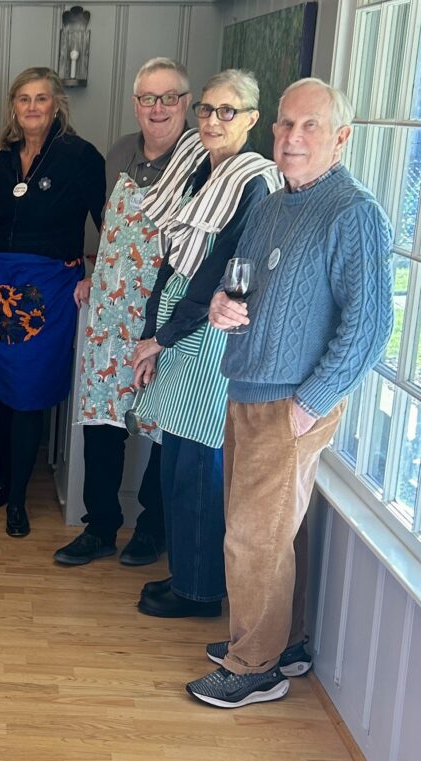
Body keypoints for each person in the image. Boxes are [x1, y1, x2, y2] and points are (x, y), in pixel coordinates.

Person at [187, 78, 393, 708]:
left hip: (294, 400)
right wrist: (222, 304)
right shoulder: (276, 201)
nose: (291, 137)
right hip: (249, 385)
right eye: (283, 125)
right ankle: (286, 643)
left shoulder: (354, 211)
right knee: (274, 529)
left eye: (309, 126)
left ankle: (255, 667)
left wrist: (314, 399)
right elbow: (238, 279)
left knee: (254, 535)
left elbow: (372, 323)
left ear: (341, 138)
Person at [129, 69, 282, 616]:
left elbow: (220, 270)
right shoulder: (198, 170)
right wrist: (153, 331)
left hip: (209, 335)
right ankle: (185, 578)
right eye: (208, 110)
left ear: (251, 120)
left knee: (198, 467)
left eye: (228, 111)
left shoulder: (253, 182)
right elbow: (172, 261)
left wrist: (162, 337)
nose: (214, 121)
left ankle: (198, 593)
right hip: (179, 325)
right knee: (175, 462)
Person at [53, 58, 192, 567]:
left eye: (169, 98)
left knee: (163, 422)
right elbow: (110, 228)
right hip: (111, 314)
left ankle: (151, 529)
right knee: (102, 424)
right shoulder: (116, 154)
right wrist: (96, 272)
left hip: (167, 319)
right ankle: (101, 526)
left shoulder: (202, 163)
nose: (157, 109)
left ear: (186, 103)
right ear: (136, 104)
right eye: (148, 99)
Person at [0, 67, 106, 537]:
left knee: (29, 393)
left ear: (56, 104)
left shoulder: (80, 157)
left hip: (49, 287)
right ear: (13, 107)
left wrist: (99, 275)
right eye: (23, 99)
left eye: (40, 99)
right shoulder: (2, 161)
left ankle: (19, 501)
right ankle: (6, 481)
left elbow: (109, 224)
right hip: (1, 287)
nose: (31, 107)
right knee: (3, 388)